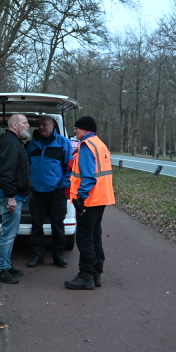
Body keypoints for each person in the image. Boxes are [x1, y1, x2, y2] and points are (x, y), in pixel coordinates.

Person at [65, 116, 115, 290]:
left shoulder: (86, 146)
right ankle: (95, 274)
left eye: (77, 128)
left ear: (85, 129)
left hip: (90, 199)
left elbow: (88, 176)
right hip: (101, 198)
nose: (75, 131)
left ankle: (86, 276)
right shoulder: (100, 144)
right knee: (95, 235)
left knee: (85, 237)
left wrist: (80, 198)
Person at [26, 116, 73, 268]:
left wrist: (63, 184)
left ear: (52, 126)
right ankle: (37, 255)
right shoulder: (33, 144)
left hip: (56, 191)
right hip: (37, 192)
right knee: (37, 225)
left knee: (57, 224)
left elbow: (70, 167)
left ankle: (57, 255)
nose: (41, 127)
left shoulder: (62, 143)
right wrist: (29, 181)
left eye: (45, 125)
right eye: (39, 125)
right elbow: (27, 165)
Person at [0, 113, 31, 284]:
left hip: (16, 194)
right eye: (25, 123)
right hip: (12, 195)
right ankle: (1, 270)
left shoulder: (14, 141)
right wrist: (10, 197)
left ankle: (6, 265)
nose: (28, 125)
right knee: (8, 233)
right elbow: (6, 173)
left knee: (12, 232)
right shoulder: (9, 142)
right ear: (15, 125)